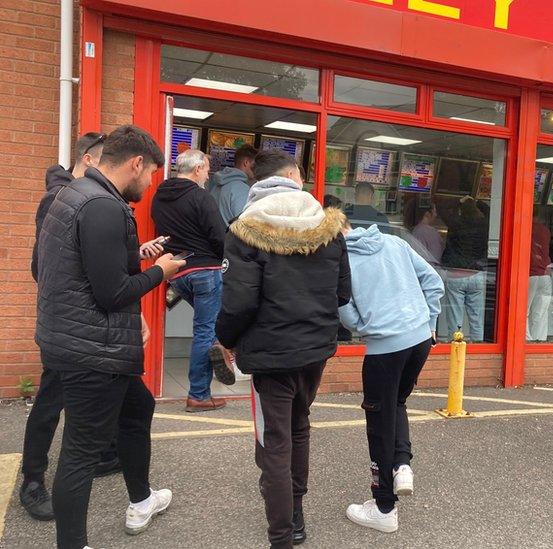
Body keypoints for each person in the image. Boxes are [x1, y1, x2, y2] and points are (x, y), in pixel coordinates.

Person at [35, 125, 184, 549]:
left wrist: (137, 259)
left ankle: (141, 497)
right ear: (136, 163)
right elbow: (112, 291)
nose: (151, 182)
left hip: (71, 337)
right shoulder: (103, 206)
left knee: (137, 408)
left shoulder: (75, 193)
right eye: (152, 173)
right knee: (81, 452)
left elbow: (81, 268)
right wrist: (161, 273)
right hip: (91, 350)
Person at [216, 150, 350, 549]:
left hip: (271, 352)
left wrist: (226, 339)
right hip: (315, 349)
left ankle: (281, 536)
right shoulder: (328, 226)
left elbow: (238, 302)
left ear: (257, 181)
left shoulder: (245, 228)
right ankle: (295, 516)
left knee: (276, 439)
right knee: (299, 427)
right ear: (293, 176)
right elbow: (342, 292)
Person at [20, 133, 131, 523]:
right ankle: (32, 480)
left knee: (113, 396)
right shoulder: (62, 198)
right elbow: (43, 265)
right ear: (88, 159)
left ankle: (103, 454)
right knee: (51, 402)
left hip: (81, 323)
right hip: (68, 324)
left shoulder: (86, 197)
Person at [339, 221, 444, 534]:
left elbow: (345, 310)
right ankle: (401, 465)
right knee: (397, 403)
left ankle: (384, 506)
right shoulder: (394, 243)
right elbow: (434, 282)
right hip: (420, 340)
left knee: (379, 424)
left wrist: (365, 327)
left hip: (384, 349)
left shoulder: (339, 261)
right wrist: (430, 322)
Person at [151, 149, 233, 412]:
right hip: (205, 271)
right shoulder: (200, 196)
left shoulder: (160, 196)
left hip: (177, 273)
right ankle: (198, 394)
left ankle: (219, 345)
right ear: (197, 169)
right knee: (206, 330)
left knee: (208, 326)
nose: (208, 175)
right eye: (207, 169)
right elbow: (219, 236)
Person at [440, 196, 489, 341]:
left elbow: (443, 211)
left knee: (455, 316)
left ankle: (456, 346)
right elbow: (491, 212)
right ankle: (478, 347)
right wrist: (478, 200)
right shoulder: (483, 224)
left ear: (461, 211)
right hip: (477, 274)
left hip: (456, 274)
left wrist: (457, 201)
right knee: (477, 318)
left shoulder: (456, 223)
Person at [209, 143, 258, 227]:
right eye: (255, 164)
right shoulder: (242, 189)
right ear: (246, 163)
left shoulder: (215, 183)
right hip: (229, 238)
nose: (257, 168)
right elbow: (244, 224)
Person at [526, 212, 552, 341]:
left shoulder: (526, 227)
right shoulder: (545, 231)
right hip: (545, 276)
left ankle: (526, 340)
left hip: (530, 274)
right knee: (541, 313)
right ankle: (539, 341)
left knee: (524, 311)